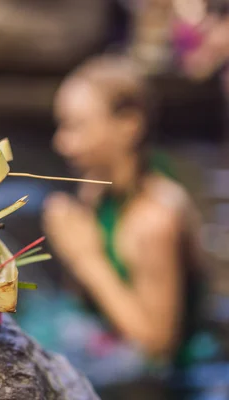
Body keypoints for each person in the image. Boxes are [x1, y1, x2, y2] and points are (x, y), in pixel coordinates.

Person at [42, 55, 208, 380]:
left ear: (129, 125)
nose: (60, 142)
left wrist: (85, 258)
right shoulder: (96, 191)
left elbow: (157, 349)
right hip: (106, 344)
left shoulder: (156, 219)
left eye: (75, 126)